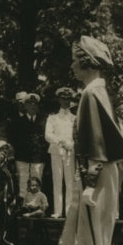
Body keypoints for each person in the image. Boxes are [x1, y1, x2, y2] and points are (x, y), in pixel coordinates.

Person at [56, 35, 123, 245]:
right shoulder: (97, 91)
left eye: (75, 59)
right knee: (97, 236)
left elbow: (98, 146)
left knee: (94, 238)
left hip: (97, 174)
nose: (72, 64)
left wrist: (89, 182)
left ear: (86, 62)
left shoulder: (90, 94)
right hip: (102, 172)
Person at [9, 92, 47, 201]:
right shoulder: (17, 121)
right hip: (22, 156)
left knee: (37, 180)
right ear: (25, 106)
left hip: (38, 156)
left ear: (38, 106)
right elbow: (13, 139)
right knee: (22, 180)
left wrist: (42, 151)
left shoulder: (43, 121)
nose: (32, 106)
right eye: (29, 104)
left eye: (35, 104)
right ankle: (23, 206)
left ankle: (36, 205)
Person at [45, 87, 76, 218]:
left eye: (68, 99)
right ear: (59, 100)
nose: (65, 101)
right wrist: (61, 141)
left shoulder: (74, 118)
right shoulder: (53, 118)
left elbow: (78, 135)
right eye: (63, 98)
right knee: (57, 181)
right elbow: (47, 135)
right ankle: (58, 210)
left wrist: (72, 144)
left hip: (70, 152)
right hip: (57, 151)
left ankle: (69, 210)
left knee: (70, 182)